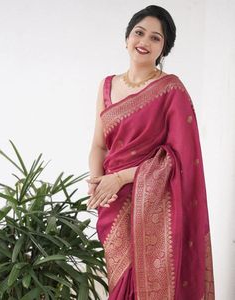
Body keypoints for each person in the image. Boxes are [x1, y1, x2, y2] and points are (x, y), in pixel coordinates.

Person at [86, 5, 215, 300]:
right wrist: (97, 183)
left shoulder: (171, 90)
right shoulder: (106, 85)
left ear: (163, 48)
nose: (144, 42)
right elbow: (98, 145)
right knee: (120, 284)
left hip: (152, 202)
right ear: (127, 38)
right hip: (112, 202)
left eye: (155, 38)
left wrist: (119, 178)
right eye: (139, 33)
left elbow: (178, 159)